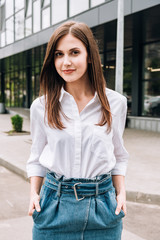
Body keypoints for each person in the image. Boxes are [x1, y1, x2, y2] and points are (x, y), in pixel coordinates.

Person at [27, 21, 129, 240]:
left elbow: (118, 155)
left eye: (74, 52)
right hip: (53, 206)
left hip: (103, 208)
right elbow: (36, 158)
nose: (66, 62)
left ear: (89, 56)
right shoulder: (41, 107)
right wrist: (33, 193)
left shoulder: (116, 103)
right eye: (58, 54)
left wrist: (121, 193)